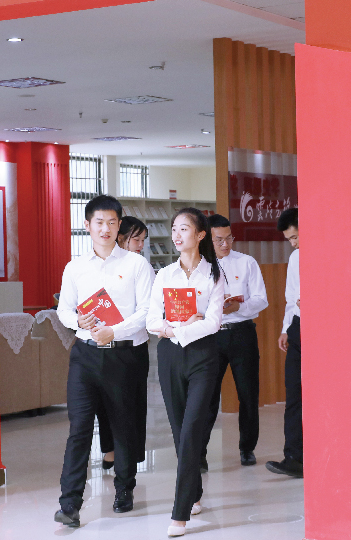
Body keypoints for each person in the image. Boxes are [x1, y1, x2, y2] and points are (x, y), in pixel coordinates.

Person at [54, 196, 153, 528]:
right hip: (85, 355)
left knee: (124, 425)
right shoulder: (75, 267)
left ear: (119, 225)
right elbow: (64, 309)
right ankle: (70, 503)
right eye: (99, 222)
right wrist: (77, 322)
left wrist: (115, 331)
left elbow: (146, 312)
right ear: (87, 225)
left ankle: (124, 489)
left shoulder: (136, 265)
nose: (105, 229)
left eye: (112, 222)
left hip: (124, 355)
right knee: (79, 428)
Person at [146, 207, 224, 537]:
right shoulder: (164, 275)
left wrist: (179, 328)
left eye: (184, 229)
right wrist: (176, 328)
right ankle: (194, 492)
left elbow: (213, 322)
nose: (176, 235)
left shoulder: (213, 275)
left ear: (200, 235)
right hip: (170, 356)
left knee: (192, 428)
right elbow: (152, 320)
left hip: (204, 356)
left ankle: (179, 514)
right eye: (174, 229)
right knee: (180, 431)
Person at [201, 214, 268, 470]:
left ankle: (247, 448)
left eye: (229, 238)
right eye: (219, 240)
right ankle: (200, 452)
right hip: (211, 336)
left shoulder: (246, 262)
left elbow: (261, 299)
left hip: (242, 333)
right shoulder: (200, 265)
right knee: (207, 396)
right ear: (207, 239)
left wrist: (237, 307)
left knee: (248, 392)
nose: (225, 244)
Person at [97, 216, 153, 471]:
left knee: (132, 404)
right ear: (121, 238)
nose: (140, 245)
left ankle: (130, 456)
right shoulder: (103, 264)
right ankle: (109, 450)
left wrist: (117, 329)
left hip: (132, 346)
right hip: (104, 344)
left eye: (143, 240)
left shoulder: (142, 267)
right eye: (136, 239)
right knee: (104, 403)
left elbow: (146, 310)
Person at [265, 207, 302, 478]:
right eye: (289, 239)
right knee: (294, 393)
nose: (293, 243)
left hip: (327, 330)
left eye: (296, 237)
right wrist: (285, 329)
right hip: (299, 327)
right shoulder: (295, 258)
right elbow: (291, 299)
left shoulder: (332, 252)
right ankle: (294, 457)